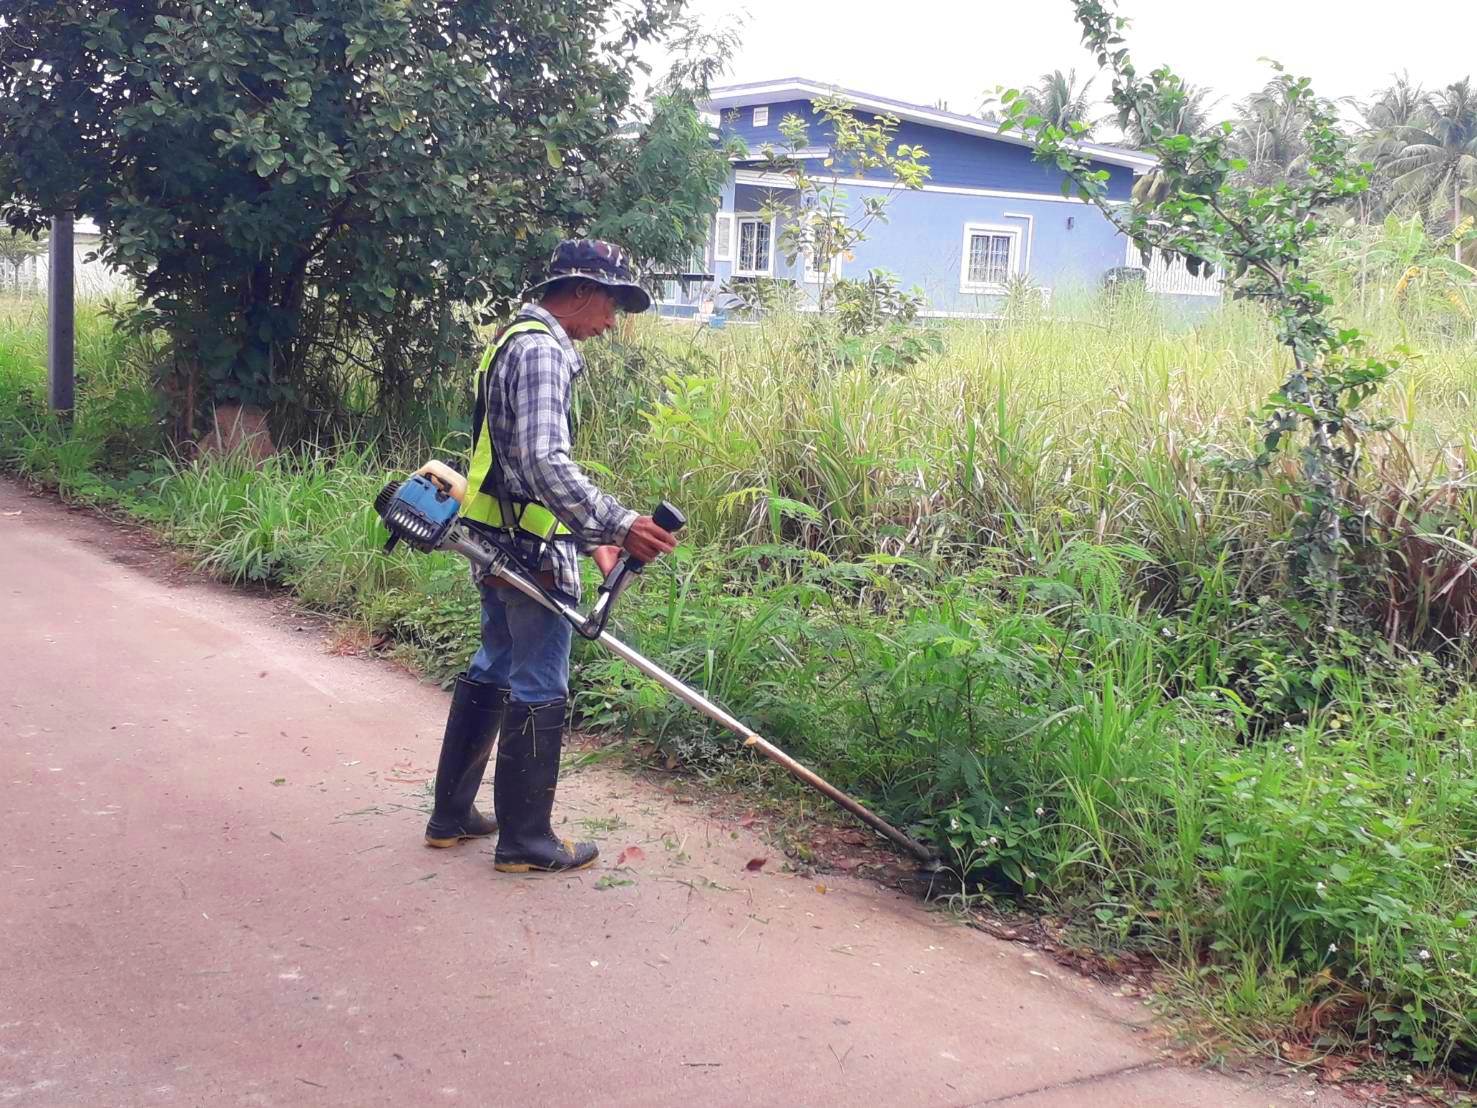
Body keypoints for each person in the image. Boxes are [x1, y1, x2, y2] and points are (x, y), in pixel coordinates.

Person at [422, 239, 678, 873]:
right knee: (539, 681)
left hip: (494, 533)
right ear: (582, 292)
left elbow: (511, 461)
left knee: (495, 664)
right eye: (613, 304)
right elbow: (541, 461)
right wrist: (620, 520)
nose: (613, 323)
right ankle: (526, 841)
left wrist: (593, 538)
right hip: (529, 547)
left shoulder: (512, 339)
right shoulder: (543, 350)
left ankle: (450, 816)